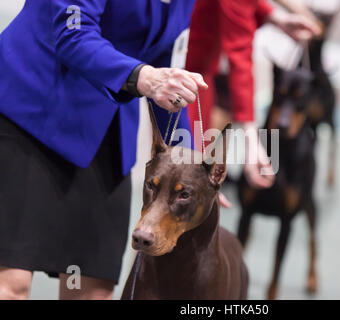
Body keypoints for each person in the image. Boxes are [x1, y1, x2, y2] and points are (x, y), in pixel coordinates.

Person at [0, 0, 206, 300]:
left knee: (91, 289)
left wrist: (191, 168)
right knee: (11, 285)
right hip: (31, 110)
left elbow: (168, 71)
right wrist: (144, 77)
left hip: (104, 128)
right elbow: (73, 32)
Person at [186, 0, 321, 189]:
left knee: (193, 167)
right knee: (184, 169)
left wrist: (274, 16)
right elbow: (240, 57)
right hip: (183, 72)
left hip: (197, 70)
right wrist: (251, 138)